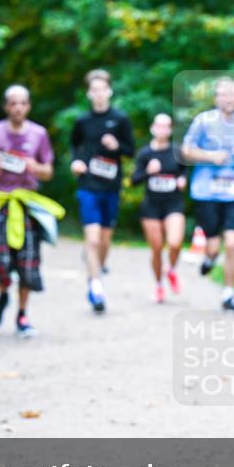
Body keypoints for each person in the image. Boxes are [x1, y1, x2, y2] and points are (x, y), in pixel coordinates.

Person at [0, 84, 56, 338]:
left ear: (29, 106)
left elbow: (48, 170)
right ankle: (3, 292)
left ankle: (22, 315)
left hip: (27, 205)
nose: (18, 107)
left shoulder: (39, 134)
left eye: (23, 103)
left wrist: (36, 167)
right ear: (6, 107)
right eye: (13, 103)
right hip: (1, 203)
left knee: (27, 262)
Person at [182, 76, 234, 313]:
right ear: (216, 98)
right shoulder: (203, 121)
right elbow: (186, 151)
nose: (229, 99)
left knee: (233, 243)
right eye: (224, 94)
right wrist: (210, 156)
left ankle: (228, 293)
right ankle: (209, 258)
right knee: (213, 245)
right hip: (206, 191)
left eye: (233, 94)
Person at [70, 69, 135, 313]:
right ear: (89, 93)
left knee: (105, 240)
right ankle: (95, 287)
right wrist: (75, 162)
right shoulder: (82, 121)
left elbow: (130, 150)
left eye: (102, 90)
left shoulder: (120, 119)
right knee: (93, 238)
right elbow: (74, 146)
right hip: (88, 185)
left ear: (109, 91)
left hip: (111, 186)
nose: (98, 94)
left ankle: (95, 266)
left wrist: (117, 146)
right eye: (94, 90)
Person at [130, 113, 187, 304]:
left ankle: (170, 270)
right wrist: (148, 172)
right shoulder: (145, 153)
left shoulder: (177, 151)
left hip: (173, 204)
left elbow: (185, 172)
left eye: (166, 126)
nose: (162, 129)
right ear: (153, 128)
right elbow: (133, 180)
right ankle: (159, 285)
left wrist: (182, 179)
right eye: (159, 126)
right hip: (151, 206)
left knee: (175, 243)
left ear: (170, 130)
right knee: (156, 248)